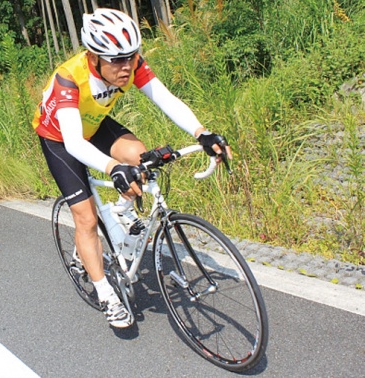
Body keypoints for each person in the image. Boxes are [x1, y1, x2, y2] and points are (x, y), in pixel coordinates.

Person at [32, 8, 231, 328]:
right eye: (116, 60)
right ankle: (106, 294)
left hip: (94, 126)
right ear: (94, 57)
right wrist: (112, 168)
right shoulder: (69, 78)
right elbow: (74, 143)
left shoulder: (130, 64)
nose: (126, 67)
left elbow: (166, 99)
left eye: (131, 56)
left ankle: (123, 213)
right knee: (86, 216)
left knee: (140, 158)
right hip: (60, 139)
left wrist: (201, 133)